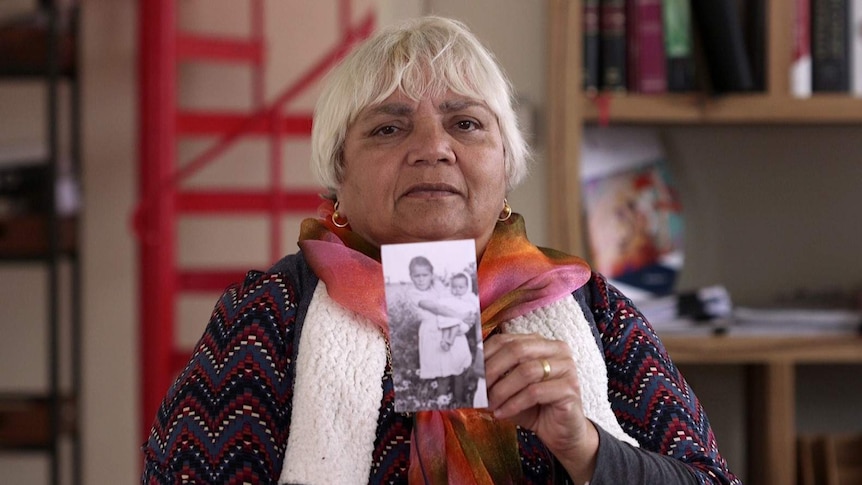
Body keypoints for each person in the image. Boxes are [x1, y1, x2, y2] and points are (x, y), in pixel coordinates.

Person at [142, 16, 739, 484]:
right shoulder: (270, 313)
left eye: (466, 124)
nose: (434, 148)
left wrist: (582, 446)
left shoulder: (591, 307)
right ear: (337, 174)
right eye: (387, 127)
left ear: (506, 165)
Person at [418, 271, 480, 407]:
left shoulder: (469, 299)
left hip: (459, 338)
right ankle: (442, 401)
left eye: (461, 287)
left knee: (458, 372)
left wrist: (464, 320)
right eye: (454, 287)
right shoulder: (448, 298)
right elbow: (442, 311)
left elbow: (472, 317)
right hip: (443, 338)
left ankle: (459, 401)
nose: (457, 290)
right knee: (443, 372)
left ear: (467, 287)